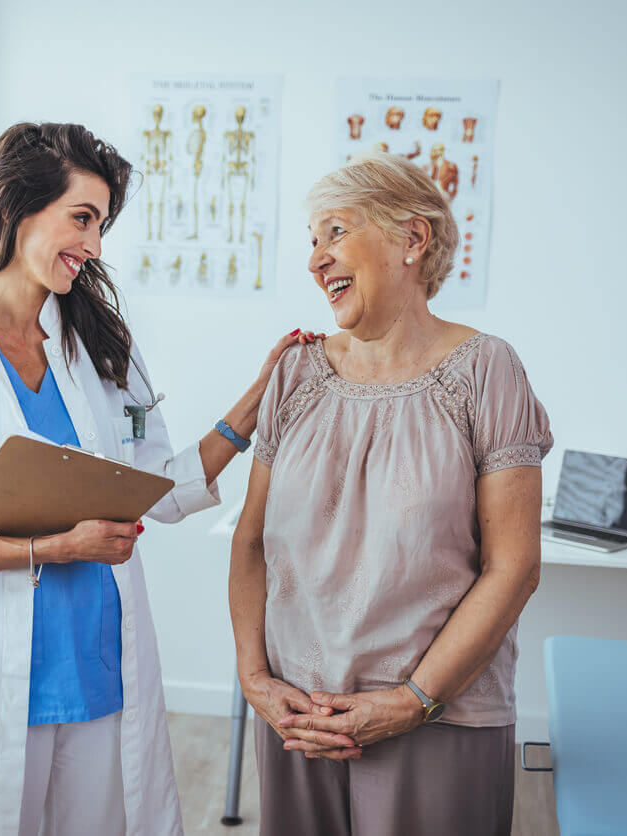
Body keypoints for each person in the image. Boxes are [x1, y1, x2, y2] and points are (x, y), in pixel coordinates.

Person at [0, 121, 317, 836]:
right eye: (82, 218)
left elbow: (160, 489)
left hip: (99, 660)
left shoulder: (99, 347)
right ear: (18, 208)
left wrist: (254, 401)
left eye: (101, 224)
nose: (96, 246)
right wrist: (54, 548)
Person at [229, 152, 553, 835]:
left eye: (335, 232)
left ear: (412, 239)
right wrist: (256, 679)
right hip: (298, 717)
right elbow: (251, 541)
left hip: (437, 717)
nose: (316, 260)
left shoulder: (486, 370)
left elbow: (513, 567)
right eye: (311, 241)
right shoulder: (294, 372)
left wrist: (412, 700)